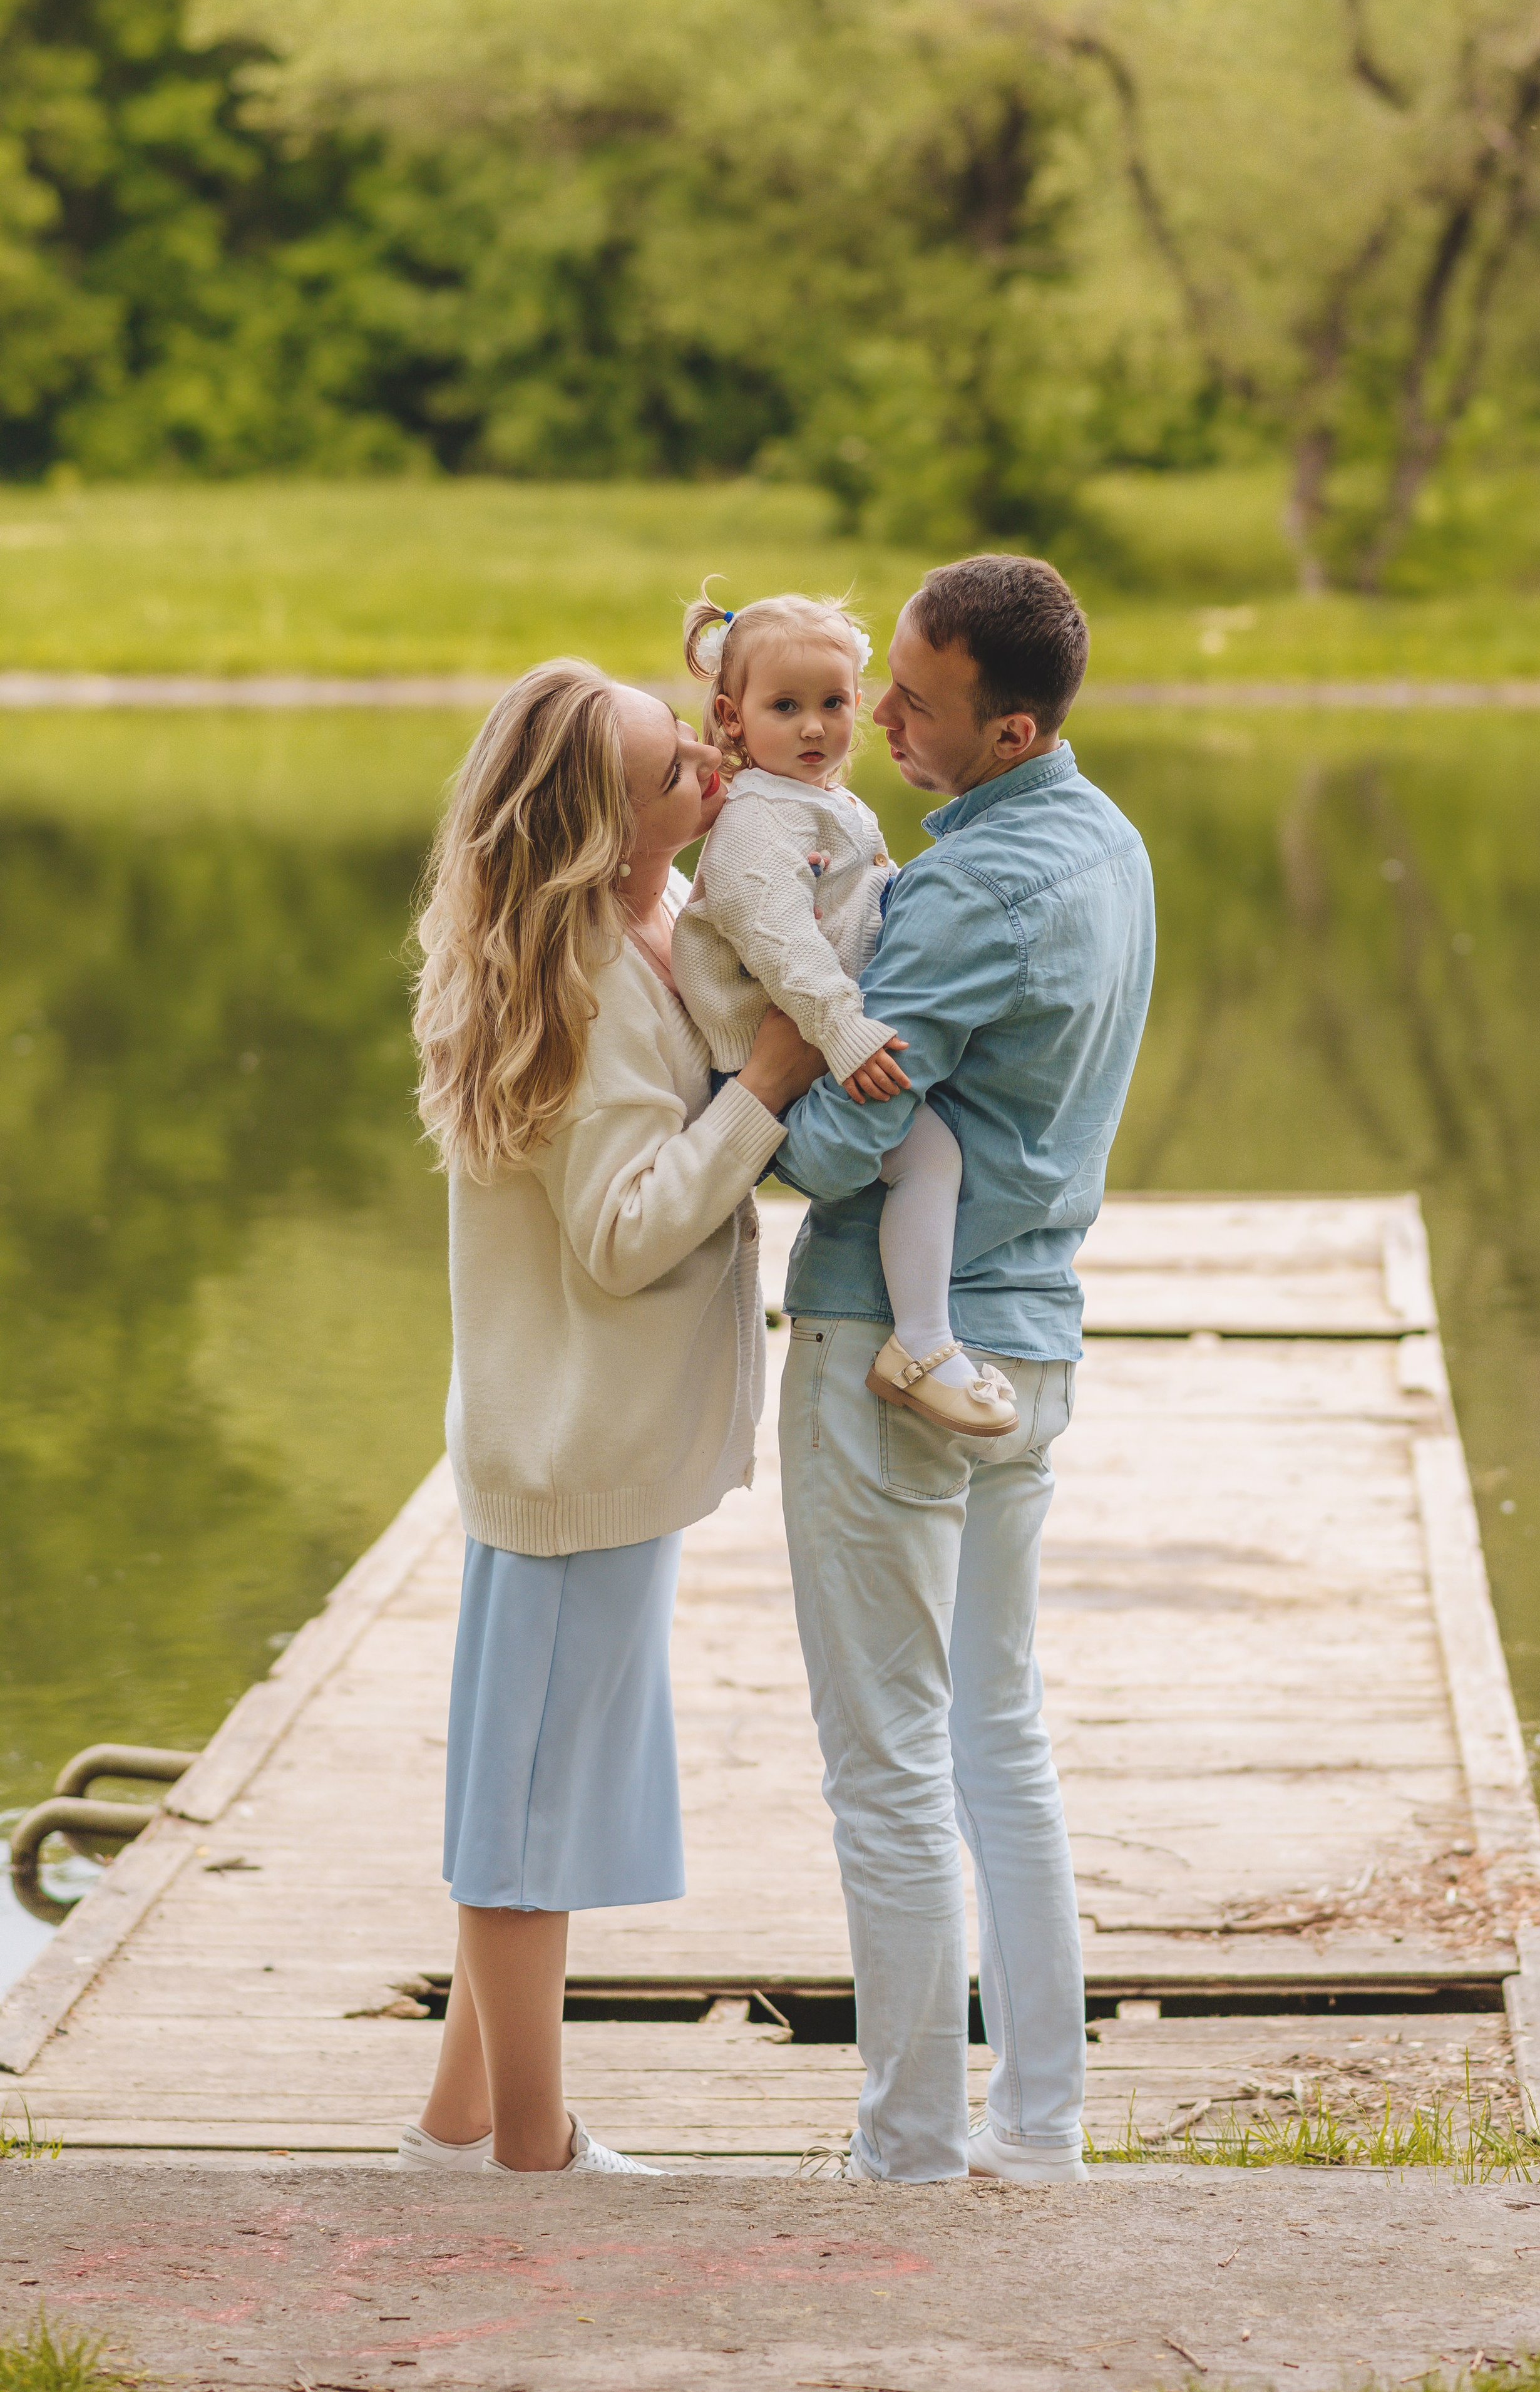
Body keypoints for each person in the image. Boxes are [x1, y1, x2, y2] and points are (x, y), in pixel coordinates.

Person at [401, 659, 820, 2178]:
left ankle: (454, 2124)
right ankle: (531, 2154)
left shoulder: (658, 918)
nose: (711, 769)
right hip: (567, 1457)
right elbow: (624, 1231)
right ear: (602, 829)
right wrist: (761, 1088)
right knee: (527, 1826)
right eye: (673, 771)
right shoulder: (578, 973)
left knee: (532, 1784)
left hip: (601, 1445)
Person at [773, 554, 1156, 2184]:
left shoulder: (969, 891)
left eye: (916, 703)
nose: (878, 719)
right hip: (1034, 1340)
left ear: (1010, 729)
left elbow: (838, 1142)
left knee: (890, 1766)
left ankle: (912, 2149)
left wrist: (728, 1096)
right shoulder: (1108, 841)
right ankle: (1039, 2128)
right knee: (999, 1737)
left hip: (897, 1357)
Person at [672, 587, 1018, 1440]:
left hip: (821, 1034)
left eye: (832, 704)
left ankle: (931, 1326)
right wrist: (841, 1029)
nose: (814, 728)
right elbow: (781, 941)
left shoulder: (823, 801)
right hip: (774, 1052)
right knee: (928, 1157)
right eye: (785, 708)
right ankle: (922, 1344)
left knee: (937, 1151)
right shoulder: (755, 821)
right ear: (733, 717)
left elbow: (863, 892)